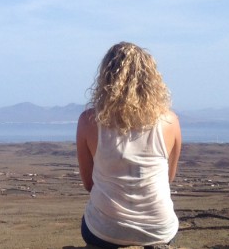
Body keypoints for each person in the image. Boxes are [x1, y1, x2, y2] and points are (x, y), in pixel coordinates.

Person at [76, 42, 182, 248]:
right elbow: (168, 178)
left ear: (106, 77)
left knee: (91, 223)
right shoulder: (170, 121)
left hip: (103, 230)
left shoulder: (88, 121)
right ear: (150, 78)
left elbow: (90, 184)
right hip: (159, 229)